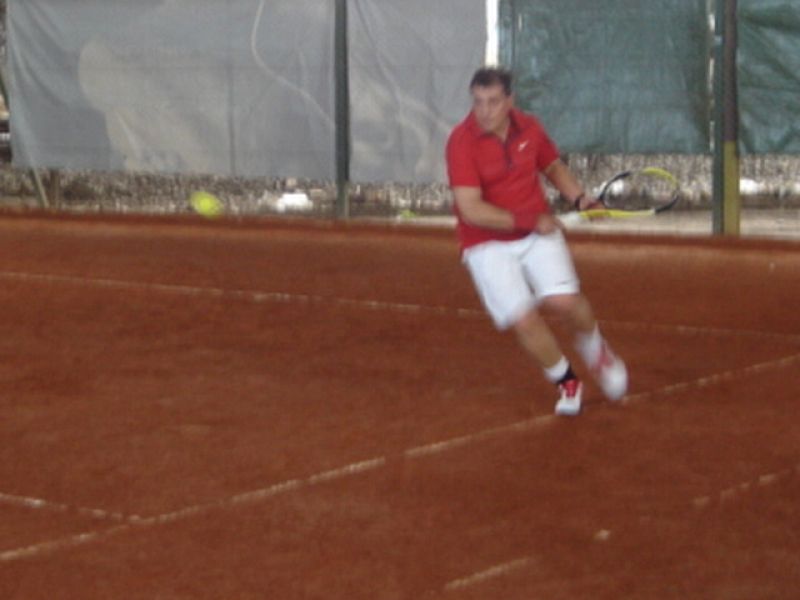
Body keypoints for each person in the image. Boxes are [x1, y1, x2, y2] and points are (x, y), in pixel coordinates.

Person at [445, 67, 627, 416]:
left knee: (565, 302)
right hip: (485, 242)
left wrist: (581, 199)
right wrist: (530, 220)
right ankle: (567, 381)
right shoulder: (460, 141)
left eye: (493, 102)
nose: (484, 111)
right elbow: (470, 209)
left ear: (510, 101)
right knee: (523, 318)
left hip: (535, 234)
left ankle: (597, 352)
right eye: (478, 102)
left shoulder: (530, 127)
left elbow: (553, 167)